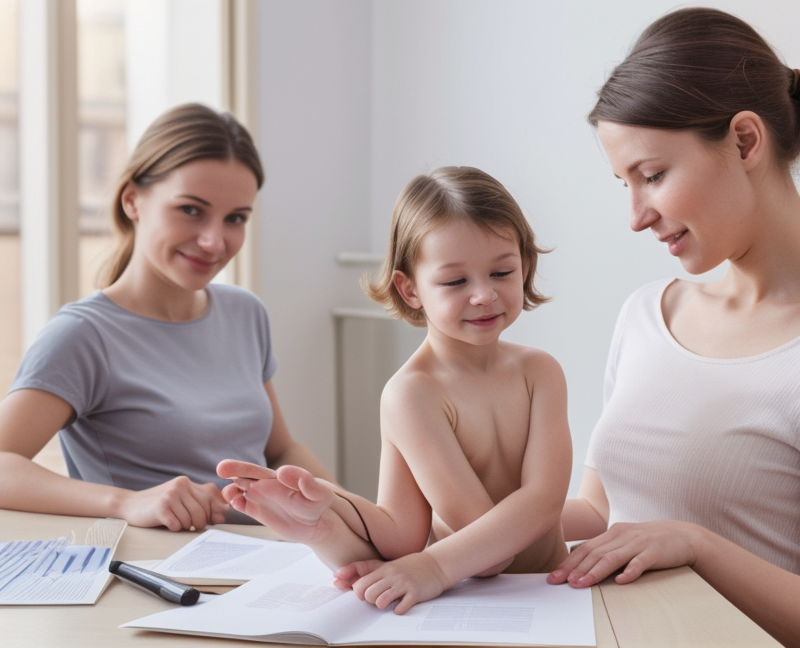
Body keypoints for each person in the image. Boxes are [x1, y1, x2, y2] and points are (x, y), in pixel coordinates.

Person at [545, 7, 800, 645]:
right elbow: (600, 516)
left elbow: (667, 540)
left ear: (745, 141)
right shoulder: (646, 315)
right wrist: (428, 532)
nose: (636, 216)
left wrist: (696, 546)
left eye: (653, 176)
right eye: (623, 184)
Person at [218, 165, 572, 614]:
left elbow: (543, 503)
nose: (484, 295)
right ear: (410, 289)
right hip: (473, 606)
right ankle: (317, 524)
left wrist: (434, 567)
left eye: (502, 272)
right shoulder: (412, 394)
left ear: (525, 265)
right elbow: (408, 536)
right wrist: (334, 504)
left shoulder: (540, 372)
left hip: (555, 594)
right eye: (455, 281)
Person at [0, 102, 333, 533]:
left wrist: (348, 513)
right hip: (161, 575)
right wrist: (126, 502)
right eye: (191, 210)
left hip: (264, 561)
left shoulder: (244, 313)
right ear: (133, 201)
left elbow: (282, 452)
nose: (214, 241)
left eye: (235, 218)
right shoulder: (84, 335)